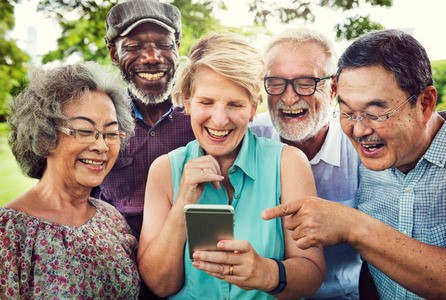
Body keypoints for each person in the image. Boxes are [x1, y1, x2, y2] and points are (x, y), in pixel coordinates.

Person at [262, 29, 446, 299]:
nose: (359, 130)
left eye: (375, 114)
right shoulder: (370, 156)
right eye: (348, 112)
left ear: (425, 103)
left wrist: (353, 226)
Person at [138, 32, 326, 299]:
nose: (219, 119)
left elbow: (312, 272)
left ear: (253, 108)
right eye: (206, 102)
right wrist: (182, 203)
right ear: (188, 102)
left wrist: (267, 273)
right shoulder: (164, 170)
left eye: (235, 104)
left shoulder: (287, 163)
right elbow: (160, 285)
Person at [0, 62, 139, 298]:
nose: (101, 146)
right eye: (84, 131)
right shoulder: (9, 234)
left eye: (111, 133)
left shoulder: (111, 219)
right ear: (44, 137)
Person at [250, 27, 361, 299]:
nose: (289, 98)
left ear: (333, 87)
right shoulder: (248, 137)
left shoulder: (361, 148)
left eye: (306, 82)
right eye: (276, 82)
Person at [94, 0, 195, 239]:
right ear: (113, 53)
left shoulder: (201, 115)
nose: (151, 57)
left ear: (178, 47)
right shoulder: (99, 118)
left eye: (164, 45)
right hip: (115, 251)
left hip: (187, 254)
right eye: (134, 46)